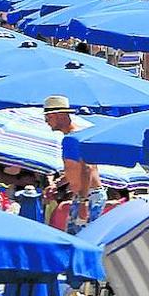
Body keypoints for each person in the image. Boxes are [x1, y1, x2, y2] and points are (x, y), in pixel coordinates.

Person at [48, 94, 103, 234]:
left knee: (82, 239)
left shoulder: (73, 139)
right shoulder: (76, 136)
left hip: (87, 196)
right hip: (84, 195)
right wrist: (57, 184)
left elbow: (87, 168)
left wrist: (84, 201)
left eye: (49, 117)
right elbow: (76, 170)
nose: (46, 121)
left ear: (60, 115)